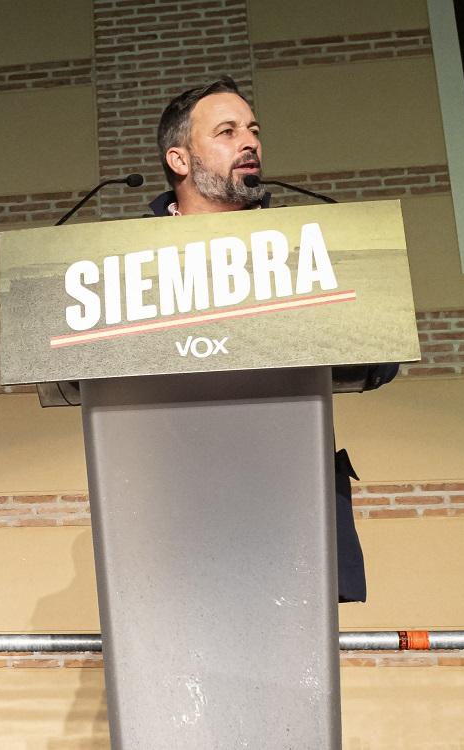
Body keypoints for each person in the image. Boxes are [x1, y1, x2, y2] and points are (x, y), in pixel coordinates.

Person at [149, 77, 394, 602]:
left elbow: (383, 353)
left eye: (253, 130)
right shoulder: (124, 262)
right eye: (227, 131)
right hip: (178, 521)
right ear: (180, 159)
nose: (250, 141)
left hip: (293, 513)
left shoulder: (305, 249)